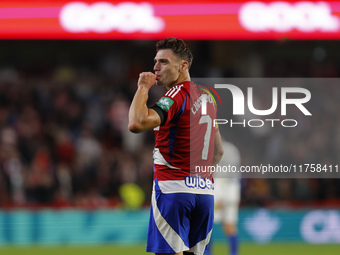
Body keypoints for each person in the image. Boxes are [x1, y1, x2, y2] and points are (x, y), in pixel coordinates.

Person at [128, 37, 224, 255]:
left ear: (183, 66)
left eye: (163, 62)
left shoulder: (175, 94)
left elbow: (136, 123)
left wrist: (143, 87)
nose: (155, 68)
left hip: (173, 192)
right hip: (205, 194)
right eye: (155, 61)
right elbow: (219, 150)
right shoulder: (208, 98)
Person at [208, 140, 241, 255]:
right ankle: (234, 252)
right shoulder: (233, 149)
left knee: (208, 222)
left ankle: (208, 251)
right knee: (229, 226)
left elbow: (220, 174)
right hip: (233, 190)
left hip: (221, 189)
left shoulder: (216, 149)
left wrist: (220, 196)